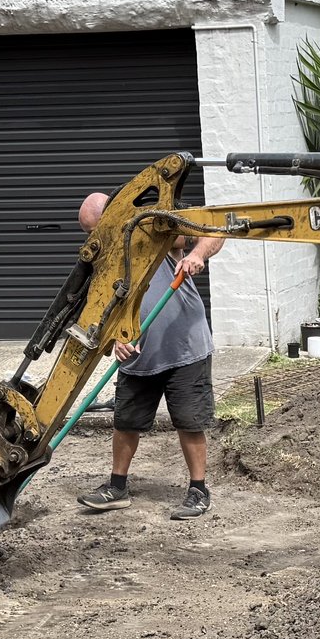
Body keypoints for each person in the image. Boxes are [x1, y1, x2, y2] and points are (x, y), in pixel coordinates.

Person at [73, 192, 225, 519]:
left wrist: (196, 255)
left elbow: (215, 230)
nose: (96, 237)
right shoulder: (100, 261)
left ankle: (198, 489)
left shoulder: (153, 232)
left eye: (98, 228)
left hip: (185, 348)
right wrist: (114, 339)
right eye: (89, 232)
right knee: (125, 422)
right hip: (137, 354)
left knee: (189, 422)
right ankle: (116, 487)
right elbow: (100, 313)